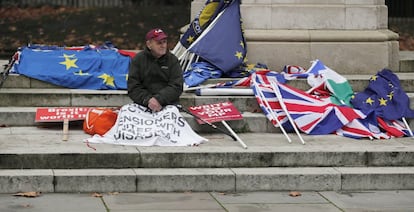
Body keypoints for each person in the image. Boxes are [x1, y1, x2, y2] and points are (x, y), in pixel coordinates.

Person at [128, 28, 183, 112]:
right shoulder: (138, 59)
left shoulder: (173, 60)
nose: (163, 45)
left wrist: (159, 99)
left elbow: (176, 86)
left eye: (164, 42)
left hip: (168, 104)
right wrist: (148, 100)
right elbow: (133, 87)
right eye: (159, 43)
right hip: (143, 104)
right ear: (149, 44)